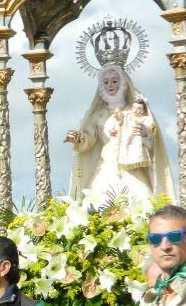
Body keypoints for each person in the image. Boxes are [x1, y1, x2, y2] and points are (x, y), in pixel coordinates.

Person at [66, 63, 174, 206]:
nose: (110, 85)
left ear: (123, 83)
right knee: (96, 204)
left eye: (114, 81)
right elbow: (90, 141)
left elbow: (151, 138)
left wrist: (146, 133)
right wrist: (79, 138)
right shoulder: (97, 116)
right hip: (105, 167)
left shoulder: (135, 112)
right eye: (106, 82)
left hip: (131, 167)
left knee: (143, 201)